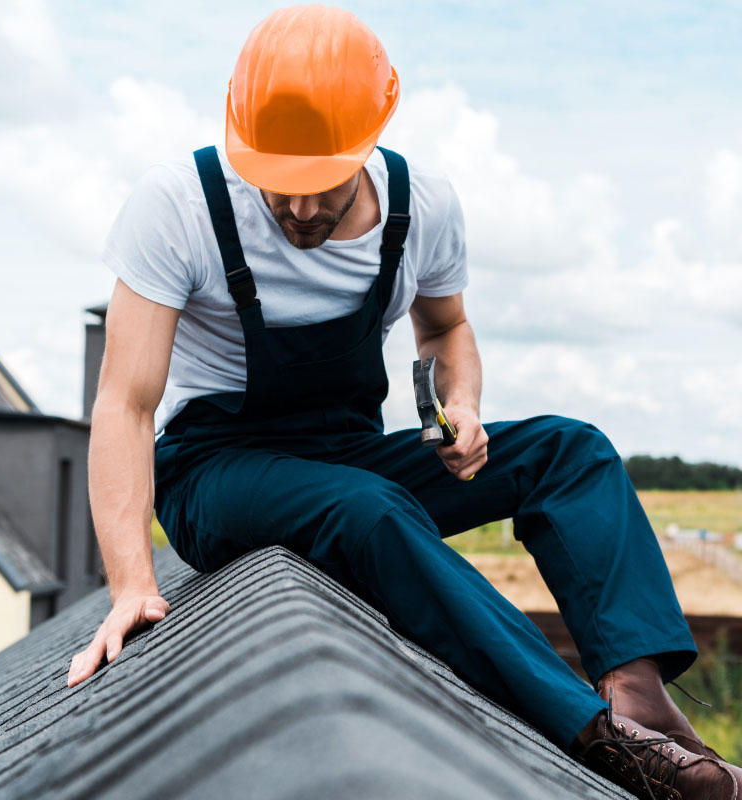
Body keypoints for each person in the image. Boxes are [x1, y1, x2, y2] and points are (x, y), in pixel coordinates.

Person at [67, 6, 741, 798]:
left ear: (368, 142)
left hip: (346, 452)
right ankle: (601, 742)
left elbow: (447, 329)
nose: (302, 210)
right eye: (280, 186)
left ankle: (637, 696)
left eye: (322, 186)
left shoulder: (422, 206)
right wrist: (131, 588)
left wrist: (461, 407)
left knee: (572, 450)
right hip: (216, 470)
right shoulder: (177, 205)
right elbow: (124, 404)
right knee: (369, 509)